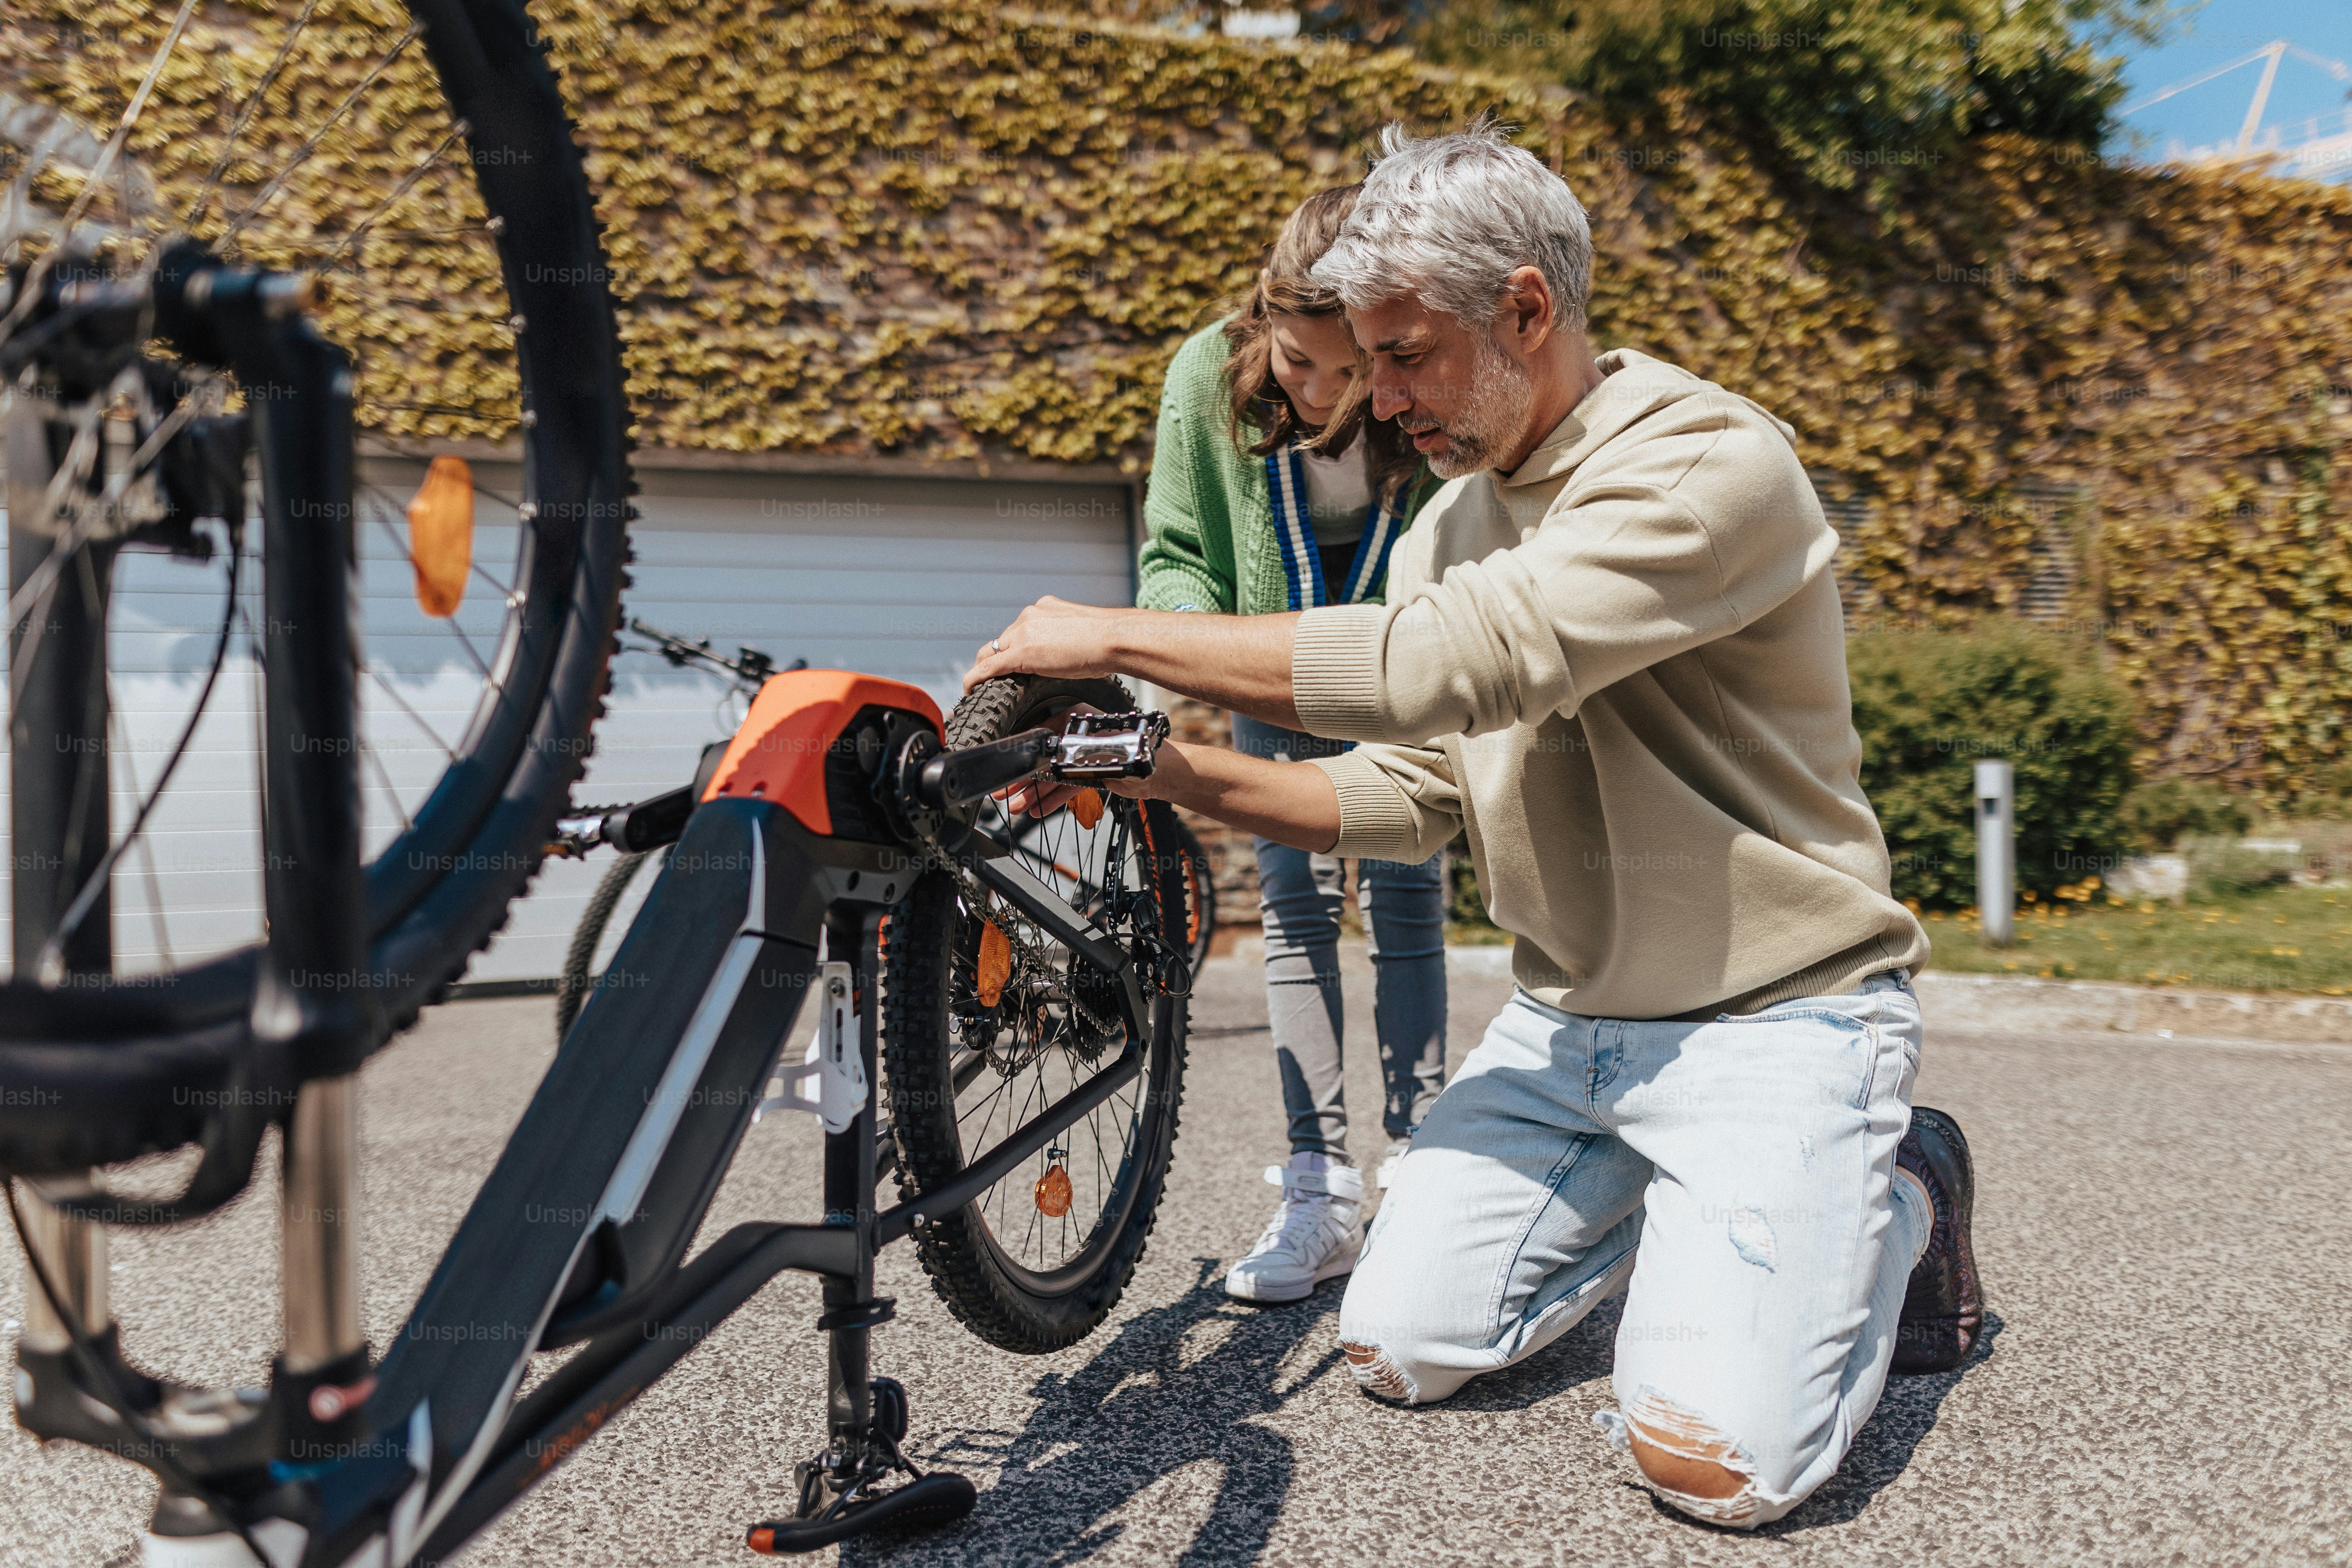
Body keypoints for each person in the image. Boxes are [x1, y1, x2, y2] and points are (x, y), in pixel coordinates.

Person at [970, 121, 1981, 1530]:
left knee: (1718, 1466)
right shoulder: (1454, 521)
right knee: (1399, 1347)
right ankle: (1699, 1212)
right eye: (1367, 360)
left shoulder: (1705, 462)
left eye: (1404, 355)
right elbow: (1418, 787)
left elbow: (1463, 661)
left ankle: (1901, 1197)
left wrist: (1109, 634)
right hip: (1572, 1030)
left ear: (1526, 306)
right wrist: (1172, 774)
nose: (1375, 402)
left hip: (1779, 1019)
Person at [1136, 186, 1450, 1305]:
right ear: (1263, 321)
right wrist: (1172, 665)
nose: (1319, 394)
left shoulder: (1421, 376)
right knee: (1293, 904)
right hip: (1273, 668)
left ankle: (1418, 1170)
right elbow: (1176, 551)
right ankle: (1320, 1191)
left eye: (1345, 372)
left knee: (1410, 900)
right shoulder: (1202, 379)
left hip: (1402, 664)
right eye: (1297, 363)